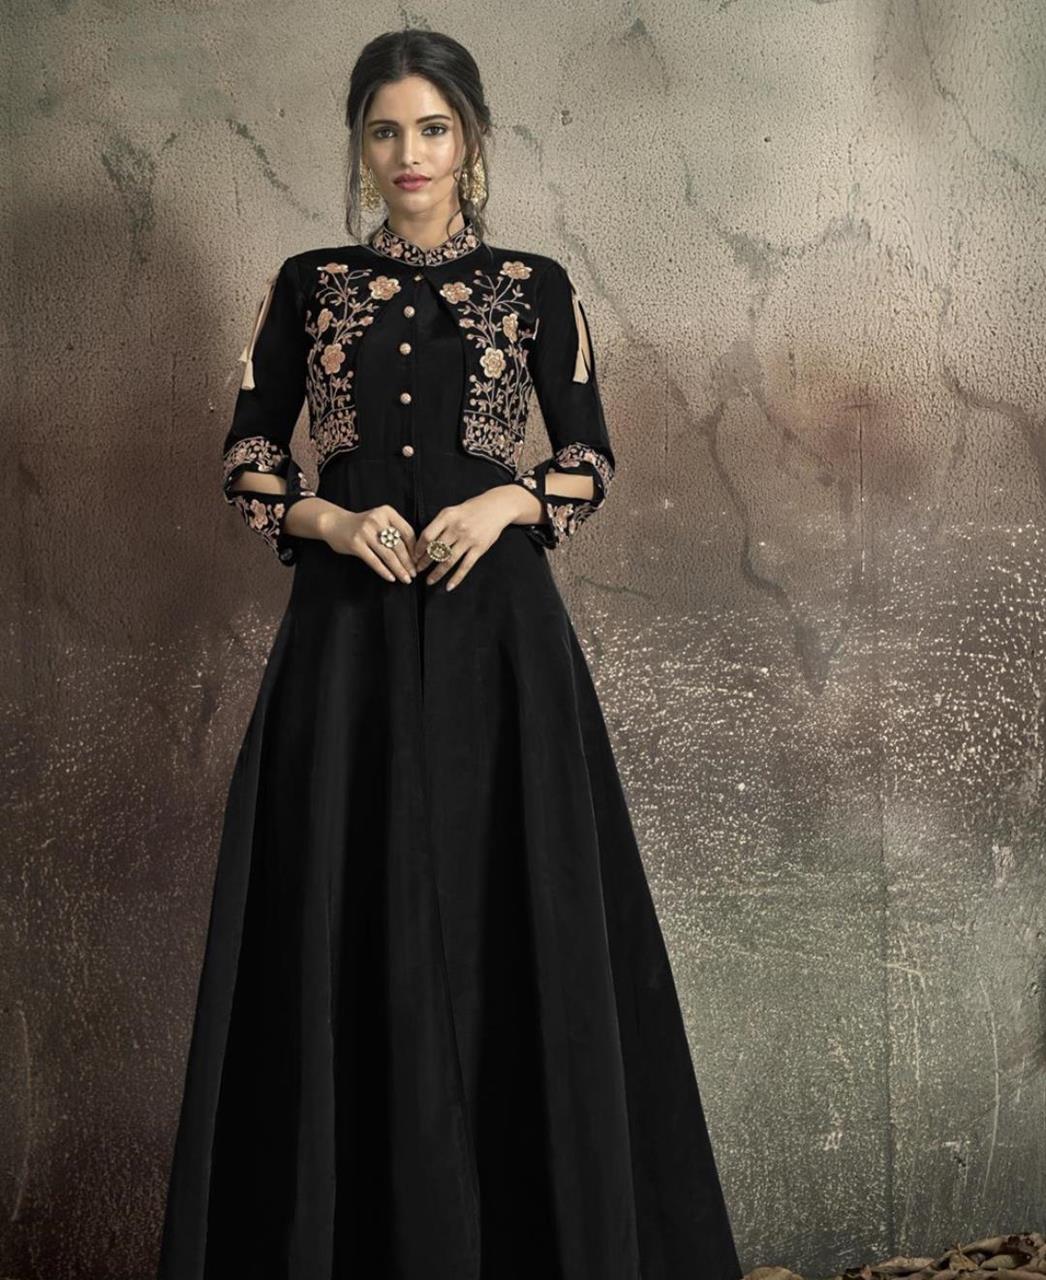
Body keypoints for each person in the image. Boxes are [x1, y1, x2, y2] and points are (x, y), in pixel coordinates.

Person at [156, 28, 743, 1280]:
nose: (407, 153)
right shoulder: (308, 284)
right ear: (359, 145)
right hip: (345, 642)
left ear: (468, 137)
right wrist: (328, 519)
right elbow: (251, 453)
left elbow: (586, 455)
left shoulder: (534, 285)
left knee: (509, 919)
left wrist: (507, 502)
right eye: (384, 130)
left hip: (499, 641)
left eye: (431, 128)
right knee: (341, 910)